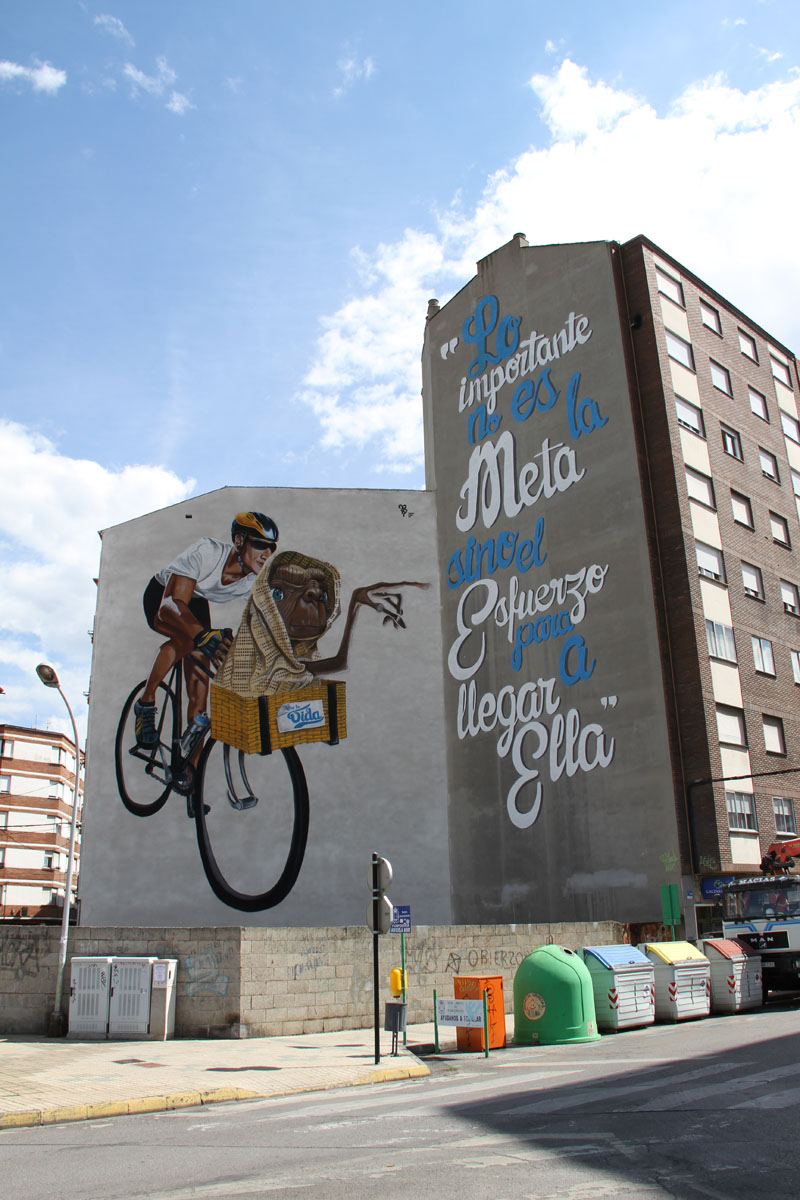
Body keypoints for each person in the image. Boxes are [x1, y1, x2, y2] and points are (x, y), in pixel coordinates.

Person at [135, 511, 279, 749]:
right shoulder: (207, 552)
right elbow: (169, 606)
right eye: (260, 545)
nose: (266, 554)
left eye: (271, 548)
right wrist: (201, 635)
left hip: (196, 602)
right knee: (188, 642)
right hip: (165, 594)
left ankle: (189, 769)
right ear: (239, 540)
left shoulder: (253, 582)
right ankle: (146, 702)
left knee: (200, 686)